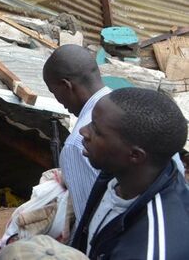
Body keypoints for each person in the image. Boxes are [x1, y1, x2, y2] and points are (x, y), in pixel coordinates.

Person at [70, 88, 189, 259]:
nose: (83, 132)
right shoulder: (116, 172)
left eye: (96, 130)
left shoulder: (148, 249)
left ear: (135, 155)